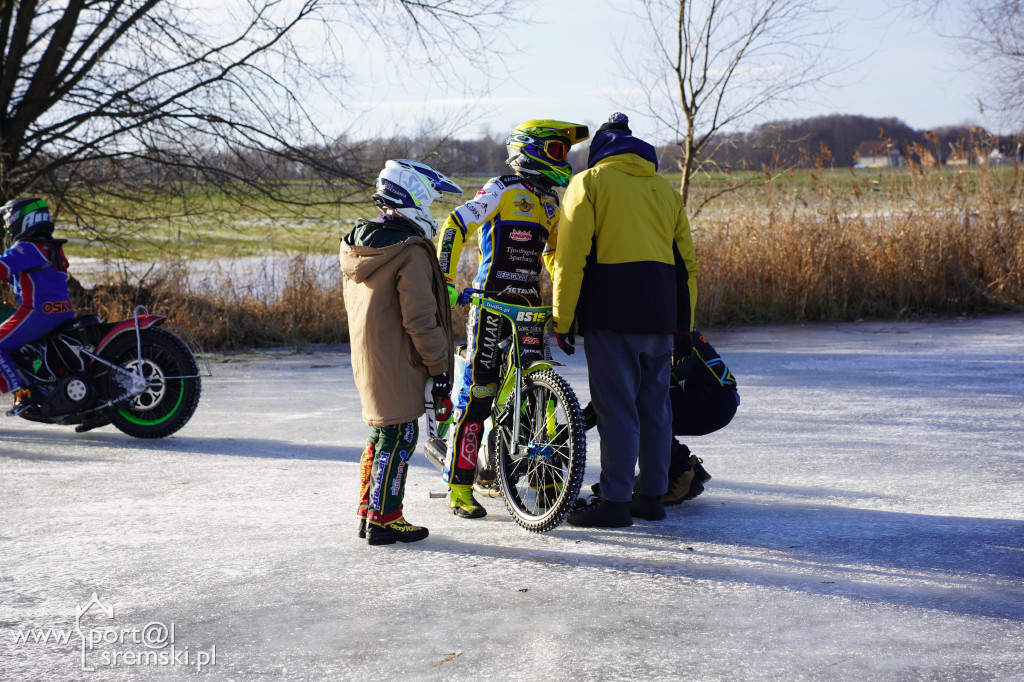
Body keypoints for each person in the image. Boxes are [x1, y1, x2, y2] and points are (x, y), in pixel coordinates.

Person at [551, 113, 699, 528]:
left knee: (616, 410)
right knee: (655, 408)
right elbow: (687, 265)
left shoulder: (589, 183)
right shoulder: (664, 190)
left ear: (600, 150)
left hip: (612, 315)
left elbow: (570, 259)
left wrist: (563, 320)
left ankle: (615, 503)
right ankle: (651, 497)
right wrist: (684, 325)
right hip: (662, 318)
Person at [436, 119, 589, 519]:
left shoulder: (552, 203)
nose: (564, 159)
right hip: (491, 306)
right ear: (530, 150)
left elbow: (558, 258)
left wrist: (566, 301)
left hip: (530, 310)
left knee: (543, 402)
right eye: (557, 151)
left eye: (565, 152)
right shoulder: (502, 189)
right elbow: (455, 224)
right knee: (480, 396)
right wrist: (446, 280)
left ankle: (552, 486)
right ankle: (459, 488)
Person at [340, 160, 462, 546]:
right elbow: (420, 319)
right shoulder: (409, 251)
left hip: (371, 354)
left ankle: (369, 511)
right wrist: (439, 366)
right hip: (398, 357)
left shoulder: (361, 244)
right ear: (416, 198)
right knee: (401, 435)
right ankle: (387, 519)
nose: (433, 213)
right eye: (431, 203)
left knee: (381, 435)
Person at [582, 328, 738, 505]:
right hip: (716, 397)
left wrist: (571, 427)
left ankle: (681, 474)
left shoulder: (657, 337)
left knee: (641, 412)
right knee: (646, 408)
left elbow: (619, 399)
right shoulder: (669, 324)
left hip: (714, 403)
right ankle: (689, 468)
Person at [0, 198, 75, 410]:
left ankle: (24, 394)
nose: (7, 229)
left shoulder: (26, 248)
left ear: (18, 220)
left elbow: (3, 267)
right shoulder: (51, 248)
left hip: (38, 312)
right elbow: (43, 277)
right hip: (62, 312)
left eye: (7, 224)